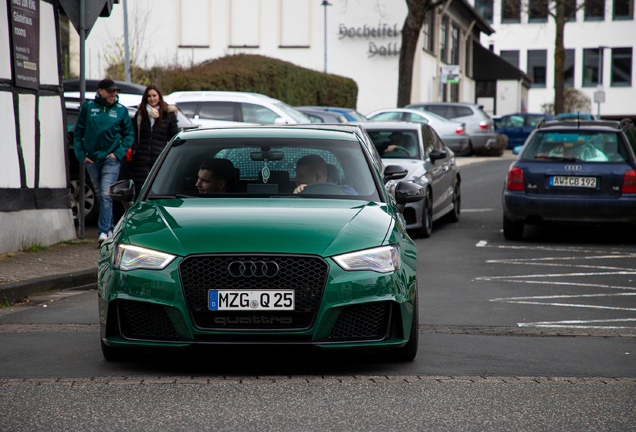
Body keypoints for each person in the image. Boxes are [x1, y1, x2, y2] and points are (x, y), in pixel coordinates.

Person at [73, 79, 134, 244]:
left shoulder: (121, 110)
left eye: (115, 91)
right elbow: (77, 132)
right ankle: (110, 229)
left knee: (107, 195)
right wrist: (81, 155)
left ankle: (104, 232)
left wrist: (117, 154)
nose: (113, 94)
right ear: (100, 91)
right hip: (92, 160)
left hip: (111, 160)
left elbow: (129, 135)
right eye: (110, 91)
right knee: (101, 195)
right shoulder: (88, 107)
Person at [131, 84, 179, 193]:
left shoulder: (168, 114)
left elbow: (174, 137)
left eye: (154, 95)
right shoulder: (140, 114)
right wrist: (135, 149)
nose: (152, 99)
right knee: (140, 192)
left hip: (159, 158)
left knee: (156, 191)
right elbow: (133, 133)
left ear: (159, 97)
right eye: (149, 96)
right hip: (141, 160)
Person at [293, 154, 357, 195]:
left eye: (301, 175)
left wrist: (312, 191)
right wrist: (296, 197)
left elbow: (354, 200)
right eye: (296, 174)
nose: (295, 179)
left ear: (318, 177)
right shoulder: (286, 192)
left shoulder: (344, 191)